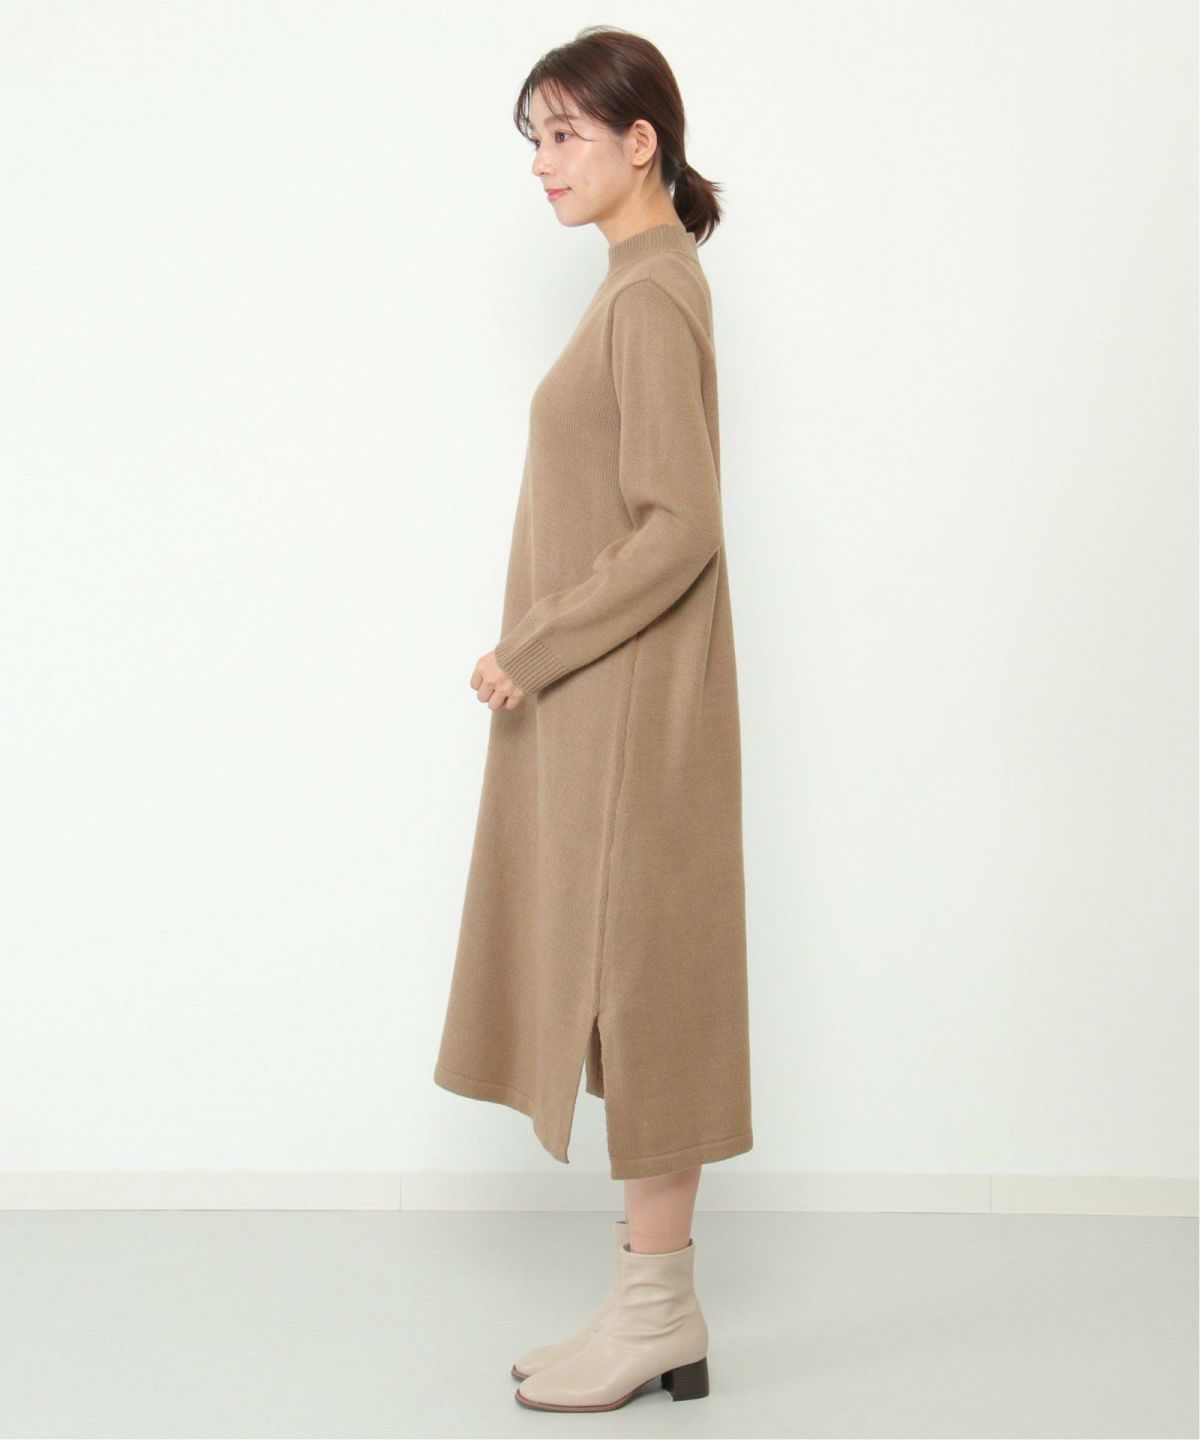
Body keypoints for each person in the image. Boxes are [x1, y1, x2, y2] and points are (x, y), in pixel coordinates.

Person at [433, 25, 752, 1413]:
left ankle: (656, 1313)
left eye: (565, 133)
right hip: (612, 706)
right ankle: (648, 1308)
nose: (544, 164)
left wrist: (537, 644)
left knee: (648, 995)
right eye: (534, 139)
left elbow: (679, 525)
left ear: (641, 141)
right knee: (628, 995)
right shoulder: (639, 283)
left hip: (629, 709)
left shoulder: (651, 293)